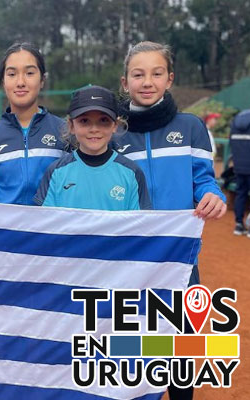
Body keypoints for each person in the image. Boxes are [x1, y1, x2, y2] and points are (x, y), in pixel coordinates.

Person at [115, 41, 227, 400]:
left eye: (156, 73)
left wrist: (214, 195)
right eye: (138, 74)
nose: (147, 82)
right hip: (129, 261)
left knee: (181, 346)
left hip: (181, 259)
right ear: (124, 82)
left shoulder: (191, 127)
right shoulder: (113, 133)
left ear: (170, 79)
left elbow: (204, 179)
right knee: (133, 346)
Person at [0, 42, 66, 205]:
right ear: (3, 81)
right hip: (6, 230)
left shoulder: (66, 132)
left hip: (51, 228)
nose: (20, 82)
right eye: (12, 74)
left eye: (29, 73)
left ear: (42, 80)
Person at [35, 85, 151, 211]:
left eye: (103, 120)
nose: (94, 129)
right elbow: (46, 224)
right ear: (71, 126)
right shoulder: (56, 172)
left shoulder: (131, 173)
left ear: (115, 125)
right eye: (85, 121)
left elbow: (139, 224)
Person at [229, 109, 250, 236]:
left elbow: (232, 144)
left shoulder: (236, 120)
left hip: (239, 167)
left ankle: (239, 225)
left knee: (241, 194)